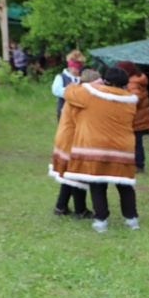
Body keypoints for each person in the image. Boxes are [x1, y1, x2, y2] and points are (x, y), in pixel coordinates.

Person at [62, 67, 139, 232]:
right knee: (124, 185)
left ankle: (101, 221)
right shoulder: (131, 100)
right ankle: (132, 219)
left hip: (95, 146)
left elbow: (68, 92)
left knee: (97, 184)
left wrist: (91, 85)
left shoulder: (91, 94)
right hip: (123, 147)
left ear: (105, 80)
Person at [49, 68, 100, 219]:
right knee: (77, 173)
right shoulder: (82, 96)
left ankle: (61, 206)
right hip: (73, 139)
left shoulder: (74, 92)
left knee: (69, 173)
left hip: (66, 137)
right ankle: (80, 209)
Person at [115, 60, 149, 173]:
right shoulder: (137, 79)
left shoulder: (132, 83)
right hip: (139, 117)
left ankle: (138, 165)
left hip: (136, 118)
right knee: (136, 141)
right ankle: (134, 163)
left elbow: (136, 98)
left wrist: (124, 104)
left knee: (136, 142)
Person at [51, 50, 85, 121]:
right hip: (64, 110)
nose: (78, 71)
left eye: (79, 68)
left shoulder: (83, 78)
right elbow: (56, 90)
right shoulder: (61, 77)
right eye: (76, 68)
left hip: (80, 112)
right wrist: (72, 93)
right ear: (70, 66)